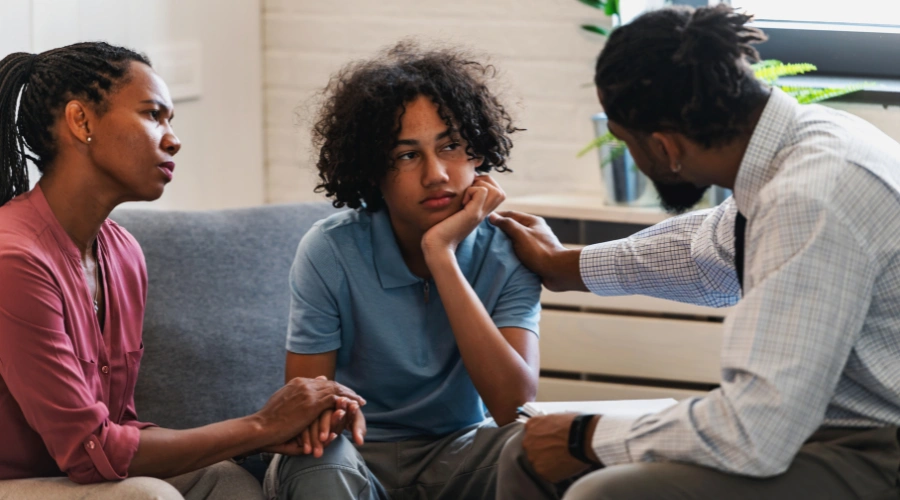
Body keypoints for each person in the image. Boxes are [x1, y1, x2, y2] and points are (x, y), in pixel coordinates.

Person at [490, 5, 900, 500]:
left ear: (665, 147)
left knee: (602, 494)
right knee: (527, 451)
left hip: (874, 451)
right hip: (810, 427)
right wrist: (565, 266)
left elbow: (756, 430)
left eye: (625, 142)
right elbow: (707, 253)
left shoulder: (808, 198)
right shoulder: (801, 146)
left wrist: (585, 437)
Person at [0, 42, 364, 500]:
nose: (173, 140)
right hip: (14, 482)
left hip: (71, 475)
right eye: (153, 115)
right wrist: (260, 426)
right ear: (82, 121)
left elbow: (119, 427)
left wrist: (263, 437)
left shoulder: (124, 253)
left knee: (228, 481)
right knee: (148, 497)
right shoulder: (14, 260)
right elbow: (91, 452)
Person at [263, 42, 542, 500]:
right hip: (353, 453)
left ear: (477, 153)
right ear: (373, 170)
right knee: (316, 460)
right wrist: (331, 421)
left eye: (450, 146)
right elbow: (309, 408)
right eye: (407, 155)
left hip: (461, 454)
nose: (436, 174)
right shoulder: (330, 249)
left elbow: (513, 406)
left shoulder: (508, 251)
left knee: (537, 445)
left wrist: (441, 255)